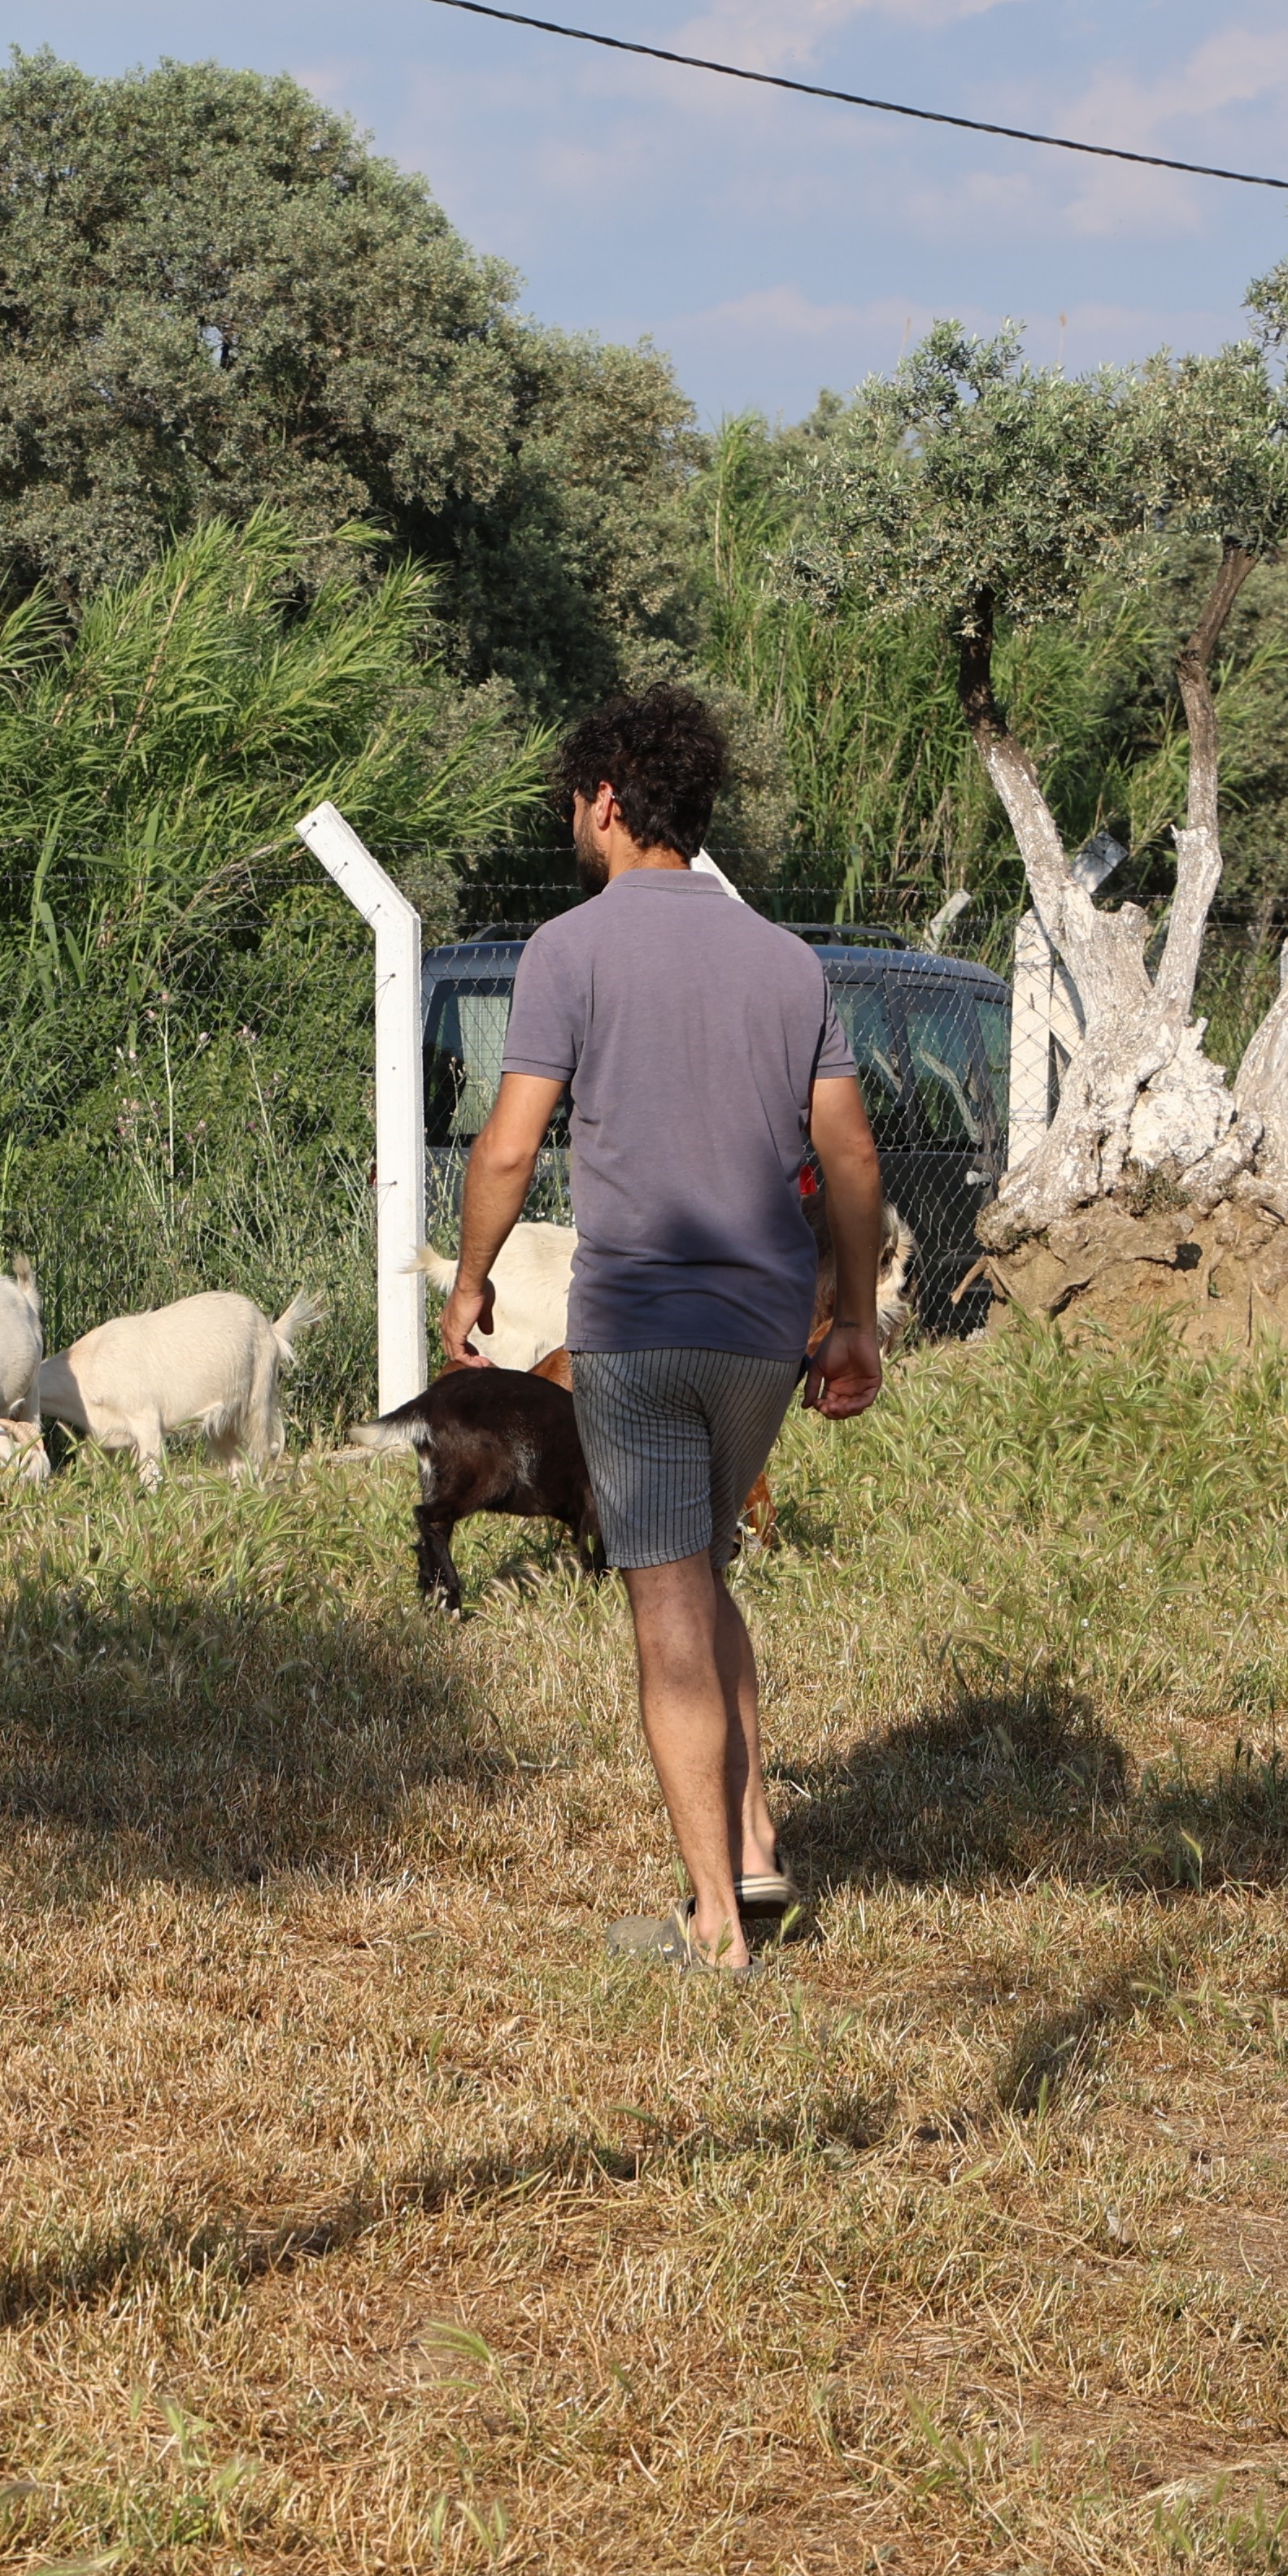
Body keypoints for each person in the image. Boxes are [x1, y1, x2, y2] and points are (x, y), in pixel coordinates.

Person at [442, 685, 884, 1973]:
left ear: (607, 803)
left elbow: (511, 1144)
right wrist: (853, 1321)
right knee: (704, 1563)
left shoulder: (570, 950)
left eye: (576, 800)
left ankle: (716, 1930)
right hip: (763, 1334)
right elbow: (848, 1152)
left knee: (669, 1608)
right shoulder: (788, 959)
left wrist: (471, 1282)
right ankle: (752, 1847)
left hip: (635, 1329)